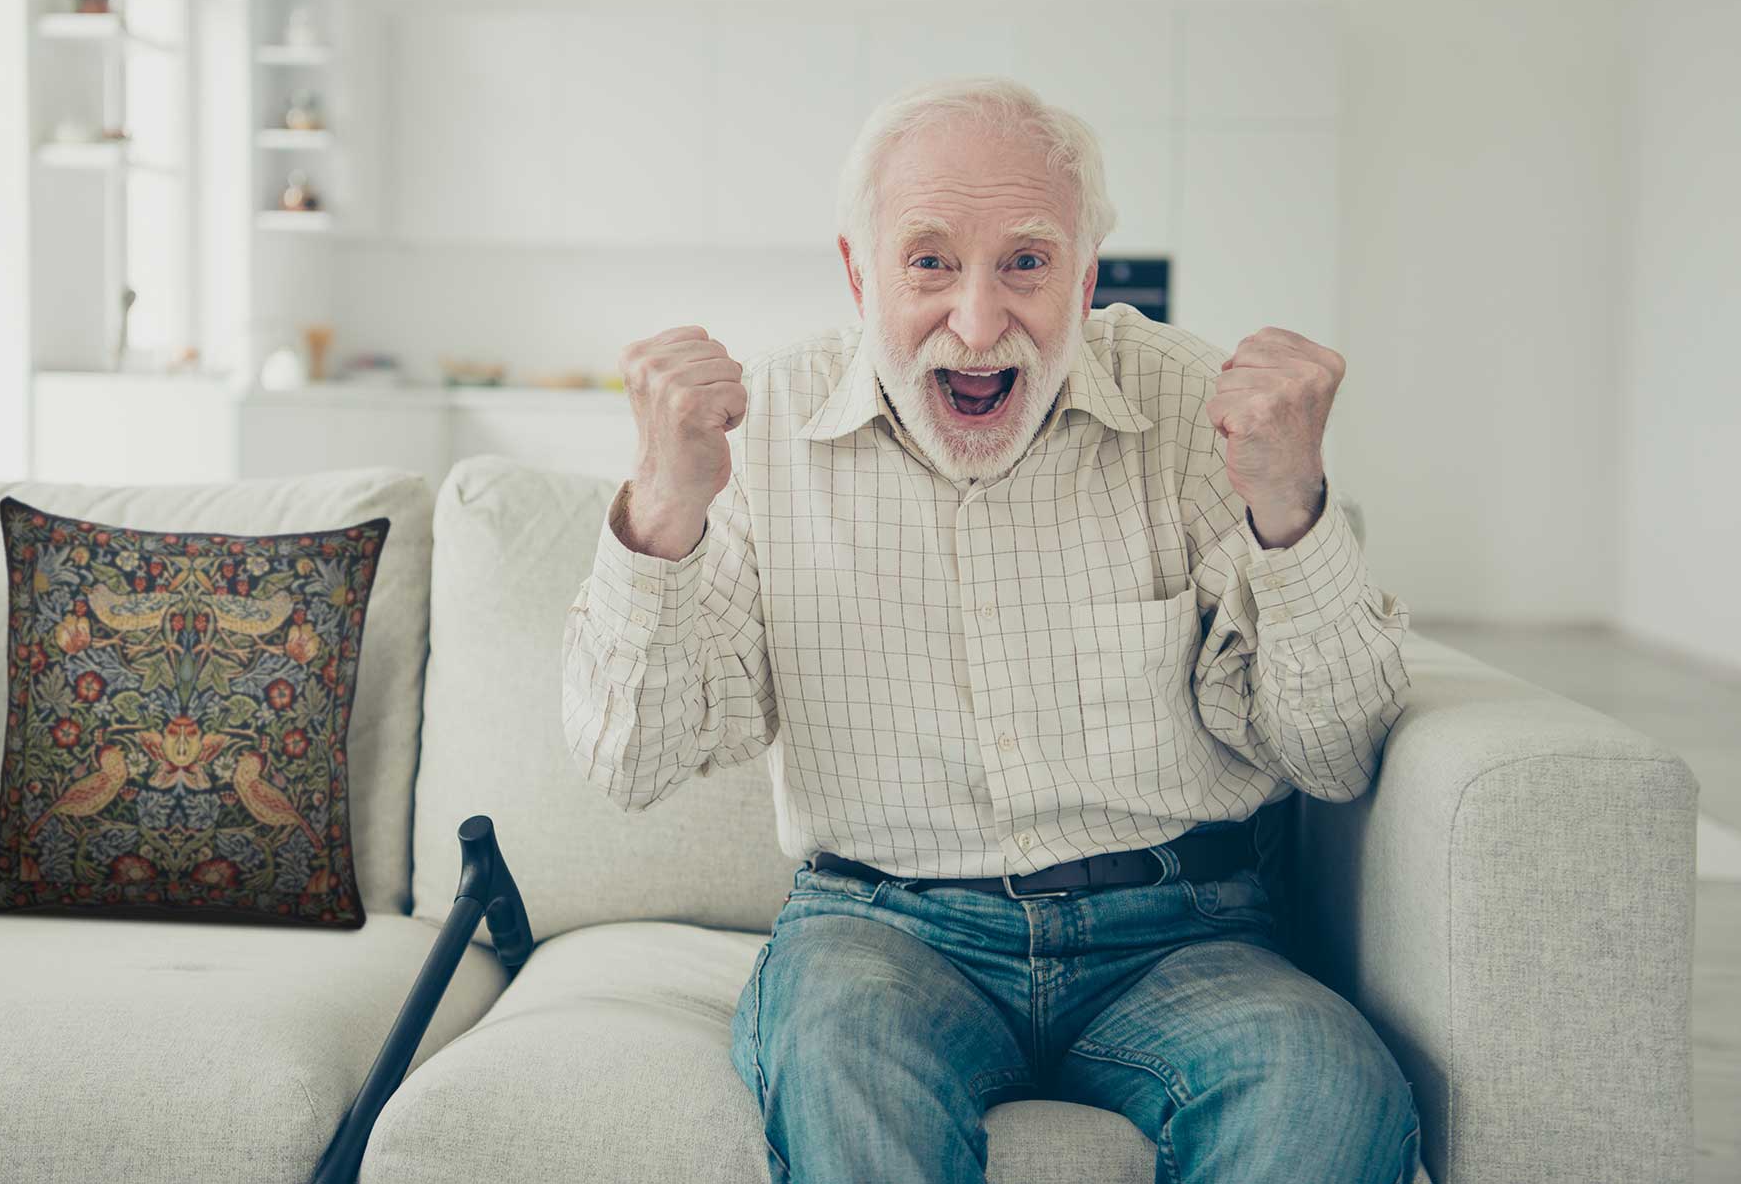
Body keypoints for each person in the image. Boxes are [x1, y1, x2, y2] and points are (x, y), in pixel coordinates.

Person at [560, 76, 1421, 1184]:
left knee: (1326, 1086)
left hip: (1182, 929)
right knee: (838, 1061)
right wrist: (664, 505)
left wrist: (1290, 509)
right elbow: (629, 763)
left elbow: (1334, 753)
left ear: (1085, 274)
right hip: (880, 932)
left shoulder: (1192, 408)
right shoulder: (761, 430)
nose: (976, 324)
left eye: (1025, 261)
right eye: (928, 262)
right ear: (856, 271)